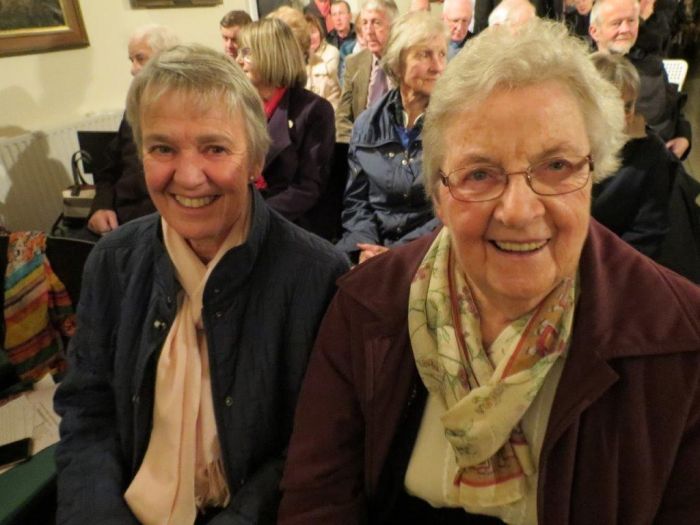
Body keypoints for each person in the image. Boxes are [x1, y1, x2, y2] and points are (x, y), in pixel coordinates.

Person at [278, 19, 700, 523]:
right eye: (480, 173)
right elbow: (318, 501)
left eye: (557, 166)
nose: (519, 211)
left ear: (595, 173)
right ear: (439, 193)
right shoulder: (366, 306)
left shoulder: (679, 339)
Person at [54, 44, 348, 525]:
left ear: (256, 161)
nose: (189, 178)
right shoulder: (113, 262)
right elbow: (88, 412)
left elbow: (312, 445)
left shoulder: (317, 275)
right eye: (163, 148)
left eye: (215, 148)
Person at [336, 11, 446, 263]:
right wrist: (364, 248)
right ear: (397, 62)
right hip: (375, 249)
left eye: (442, 54)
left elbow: (454, 208)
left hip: (432, 251)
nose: (438, 67)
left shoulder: (454, 124)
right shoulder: (367, 124)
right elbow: (356, 203)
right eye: (424, 54)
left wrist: (398, 253)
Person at [237, 18, 336, 236]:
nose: (238, 60)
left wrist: (255, 219)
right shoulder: (240, 108)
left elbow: (308, 188)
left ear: (270, 55)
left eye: (246, 52)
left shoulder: (313, 110)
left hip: (291, 225)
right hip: (241, 218)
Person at [87, 24, 178, 237]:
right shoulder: (135, 108)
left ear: (167, 58)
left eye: (140, 58)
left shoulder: (186, 110)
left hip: (158, 221)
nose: (133, 69)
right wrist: (101, 206)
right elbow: (108, 170)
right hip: (117, 218)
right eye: (131, 60)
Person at [591, 52, 680, 259]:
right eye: (613, 106)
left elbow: (647, 233)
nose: (623, 117)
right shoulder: (564, 144)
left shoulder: (651, 153)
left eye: (628, 106)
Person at [589, 0, 691, 159]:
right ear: (595, 31)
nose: (626, 29)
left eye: (631, 21)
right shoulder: (585, 75)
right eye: (616, 23)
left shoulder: (649, 60)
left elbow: (671, 102)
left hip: (665, 155)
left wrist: (684, 136)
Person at [335, 0, 399, 143]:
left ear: (394, 27)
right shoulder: (354, 63)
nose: (369, 32)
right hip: (359, 145)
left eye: (376, 23)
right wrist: (358, 146)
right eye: (364, 23)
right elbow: (342, 118)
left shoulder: (406, 64)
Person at [305, 13, 342, 110]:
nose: (311, 37)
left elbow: (329, 74)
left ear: (320, 33)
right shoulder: (299, 57)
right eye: (306, 34)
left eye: (313, 32)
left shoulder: (332, 51)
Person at [326, 1, 357, 84]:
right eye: (334, 15)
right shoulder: (328, 39)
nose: (338, 19)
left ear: (350, 16)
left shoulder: (360, 36)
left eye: (341, 13)